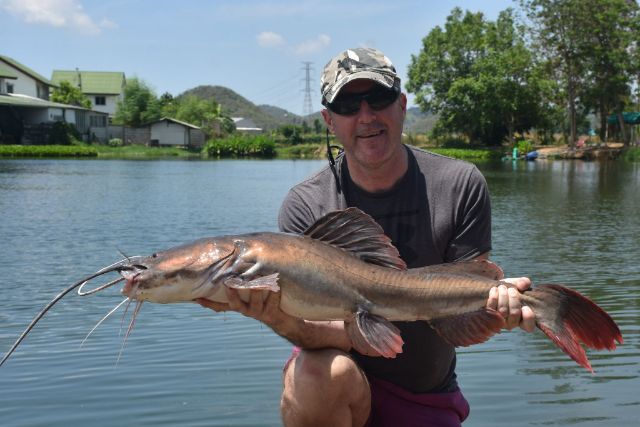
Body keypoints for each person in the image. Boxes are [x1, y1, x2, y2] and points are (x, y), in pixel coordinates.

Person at [197, 47, 535, 427]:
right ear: (329, 120)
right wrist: (274, 315)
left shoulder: (460, 185)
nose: (366, 116)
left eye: (378, 98)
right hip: (340, 388)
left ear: (401, 105)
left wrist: (495, 308)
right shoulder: (305, 205)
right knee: (316, 376)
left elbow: (467, 289)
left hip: (427, 395)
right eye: (347, 105)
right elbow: (317, 329)